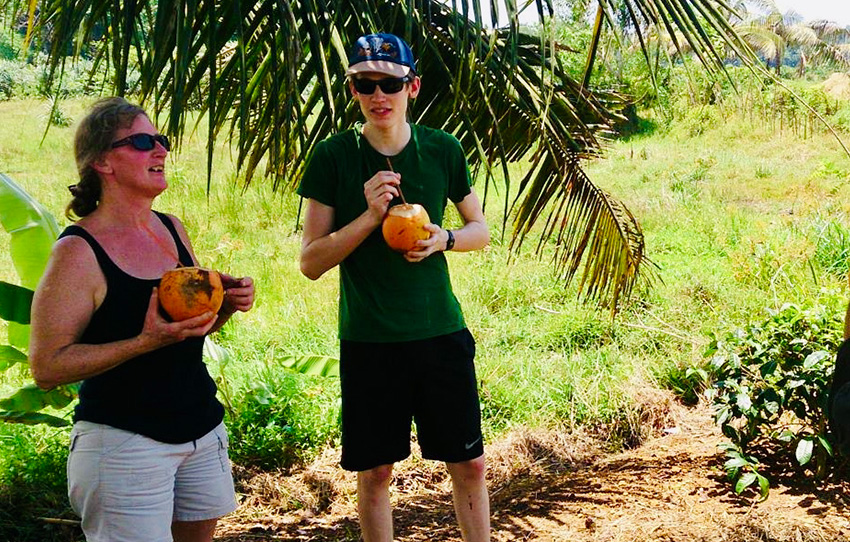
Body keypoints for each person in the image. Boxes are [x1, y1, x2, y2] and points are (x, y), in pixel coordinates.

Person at [29, 97, 255, 542]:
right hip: (124, 443)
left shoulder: (171, 227)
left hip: (200, 428)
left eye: (161, 140)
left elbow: (187, 333)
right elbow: (47, 367)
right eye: (141, 141)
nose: (160, 150)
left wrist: (223, 306)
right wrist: (142, 341)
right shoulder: (77, 251)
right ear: (102, 163)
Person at [298, 33, 491, 541]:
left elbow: (480, 231)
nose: (378, 95)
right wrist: (369, 216)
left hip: (439, 333)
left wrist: (443, 239)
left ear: (413, 86)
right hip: (370, 340)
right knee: (376, 472)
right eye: (365, 84)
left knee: (468, 463)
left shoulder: (442, 149)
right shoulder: (333, 156)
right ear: (353, 90)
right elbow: (311, 261)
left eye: (390, 83)